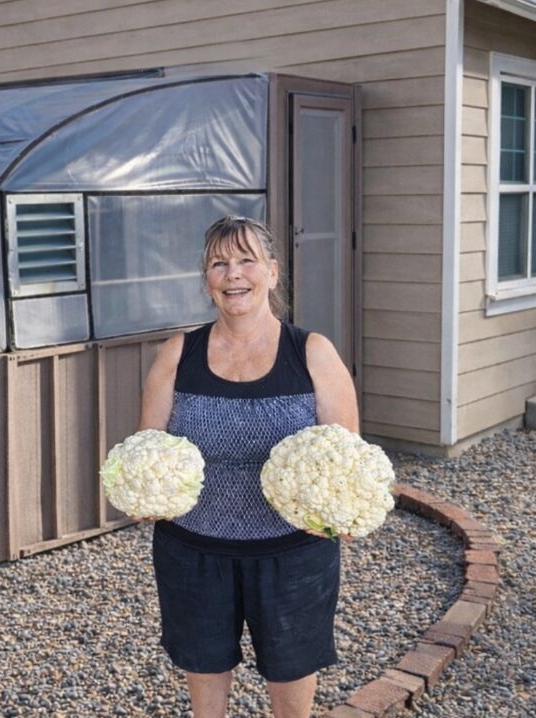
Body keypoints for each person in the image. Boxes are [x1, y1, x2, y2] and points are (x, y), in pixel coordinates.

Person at [137, 215, 359, 718]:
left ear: (273, 273)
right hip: (193, 552)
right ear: (207, 279)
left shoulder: (312, 354)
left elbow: (349, 461)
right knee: (206, 674)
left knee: (290, 674)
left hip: (293, 555)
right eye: (219, 263)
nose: (233, 274)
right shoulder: (179, 353)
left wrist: (342, 515)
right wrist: (143, 494)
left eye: (245, 261)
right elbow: (148, 449)